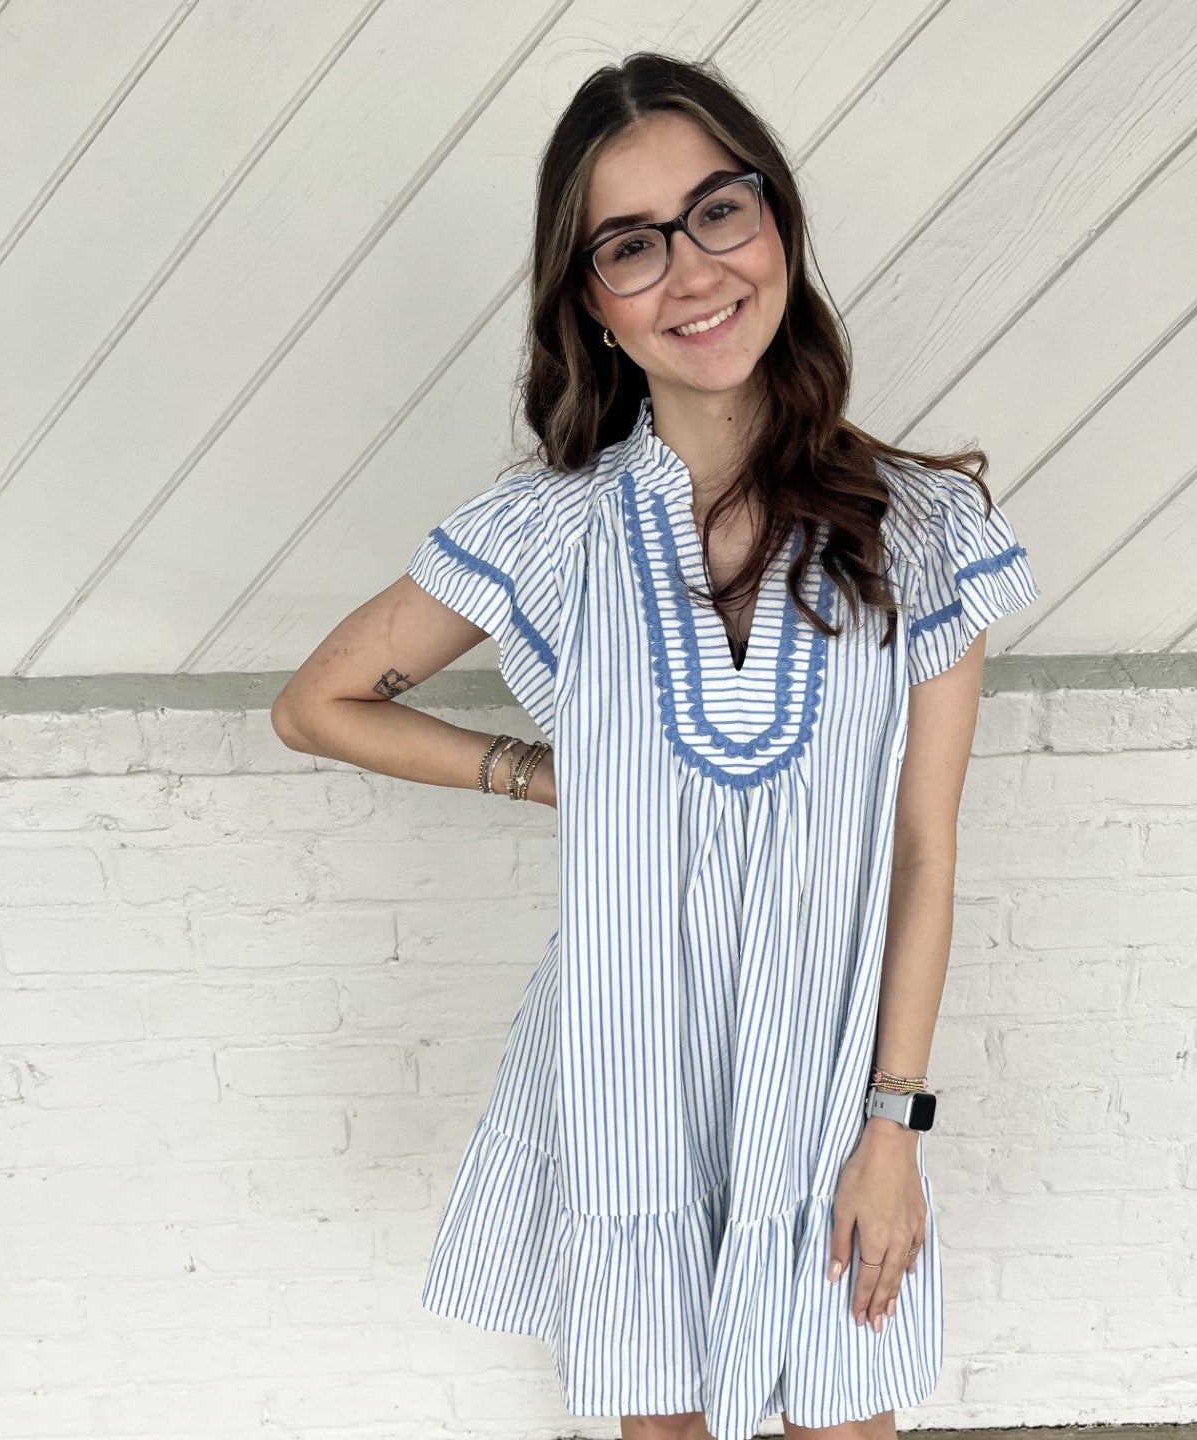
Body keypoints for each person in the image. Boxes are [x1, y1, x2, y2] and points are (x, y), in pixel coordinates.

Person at [272, 50, 1038, 1440]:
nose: (692, 272)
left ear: (776, 223)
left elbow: (923, 852)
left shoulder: (921, 529)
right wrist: (542, 776)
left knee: (846, 1414)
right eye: (632, 245)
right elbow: (318, 702)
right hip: (628, 1085)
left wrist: (894, 1127)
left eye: (718, 213)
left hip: (828, 1099)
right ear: (592, 303)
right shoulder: (548, 532)